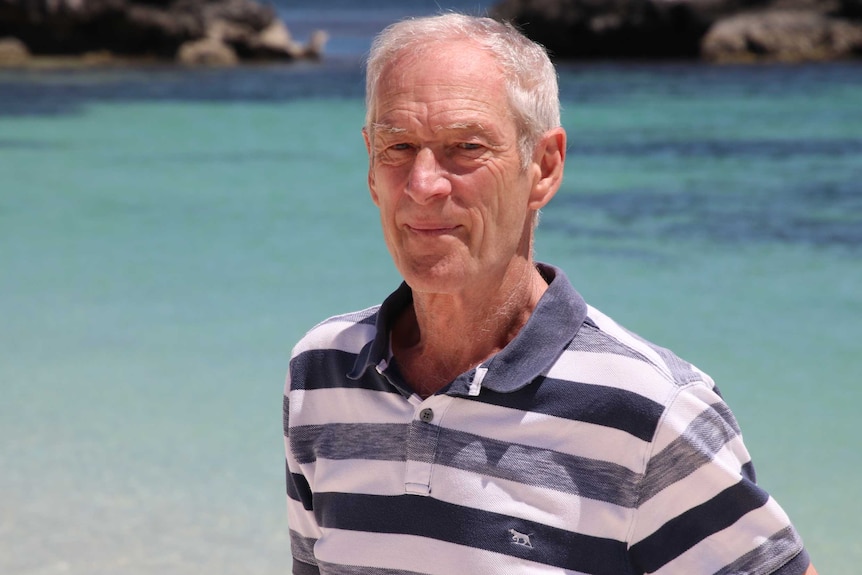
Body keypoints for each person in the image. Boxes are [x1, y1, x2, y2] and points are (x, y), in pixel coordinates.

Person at [283, 13, 817, 575]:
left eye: (465, 147)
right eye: (399, 147)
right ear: (371, 166)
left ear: (543, 166)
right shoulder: (323, 371)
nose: (423, 184)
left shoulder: (651, 412)